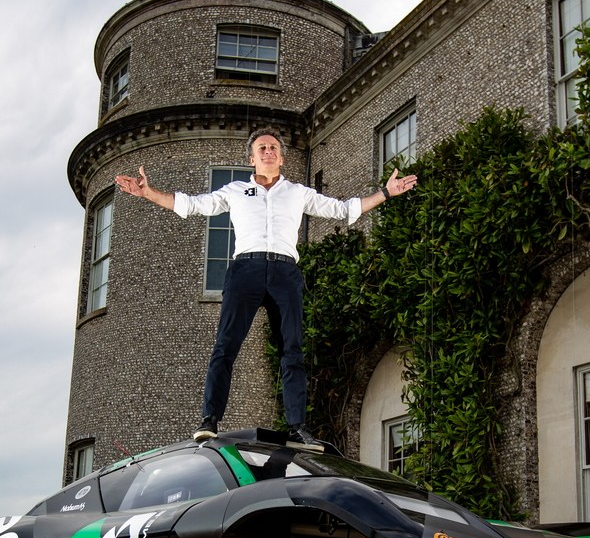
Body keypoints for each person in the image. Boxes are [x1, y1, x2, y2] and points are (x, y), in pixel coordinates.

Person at [114, 127, 418, 445]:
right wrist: (148, 192)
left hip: (285, 272)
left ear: (282, 157)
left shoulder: (298, 193)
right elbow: (193, 205)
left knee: (292, 350)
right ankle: (209, 419)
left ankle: (297, 427)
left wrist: (386, 193)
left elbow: (342, 210)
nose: (268, 151)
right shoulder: (234, 191)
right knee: (225, 347)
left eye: (273, 147)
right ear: (252, 158)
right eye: (262, 148)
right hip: (246, 268)